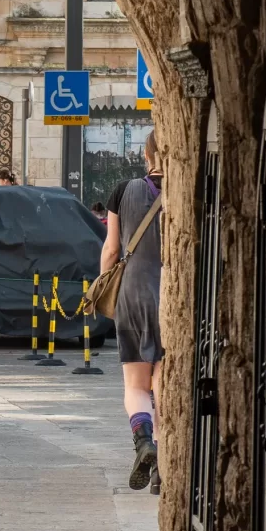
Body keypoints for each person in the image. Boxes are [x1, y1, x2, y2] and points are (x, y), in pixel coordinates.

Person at [100, 129, 165, 490]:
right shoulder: (194, 185)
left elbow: (111, 250)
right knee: (164, 383)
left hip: (133, 296)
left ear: (146, 154)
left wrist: (104, 285)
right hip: (174, 297)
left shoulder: (122, 191)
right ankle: (161, 470)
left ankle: (144, 441)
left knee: (136, 384)